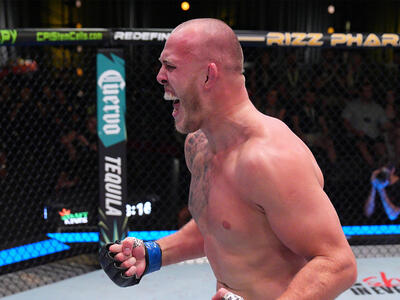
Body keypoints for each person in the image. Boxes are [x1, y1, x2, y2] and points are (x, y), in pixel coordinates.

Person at [101, 18, 357, 300]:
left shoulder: (270, 159)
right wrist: (154, 254)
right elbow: (222, 228)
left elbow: (338, 263)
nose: (160, 77)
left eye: (170, 66)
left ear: (209, 76)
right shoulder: (198, 146)